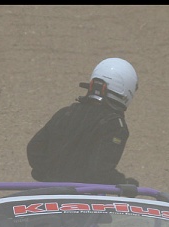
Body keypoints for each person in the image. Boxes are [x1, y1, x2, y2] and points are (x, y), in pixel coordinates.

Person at [27, 57, 140, 186]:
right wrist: (123, 182)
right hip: (82, 201)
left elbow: (34, 149)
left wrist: (49, 176)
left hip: (47, 197)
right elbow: (99, 171)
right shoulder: (115, 125)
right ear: (127, 89)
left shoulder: (66, 112)